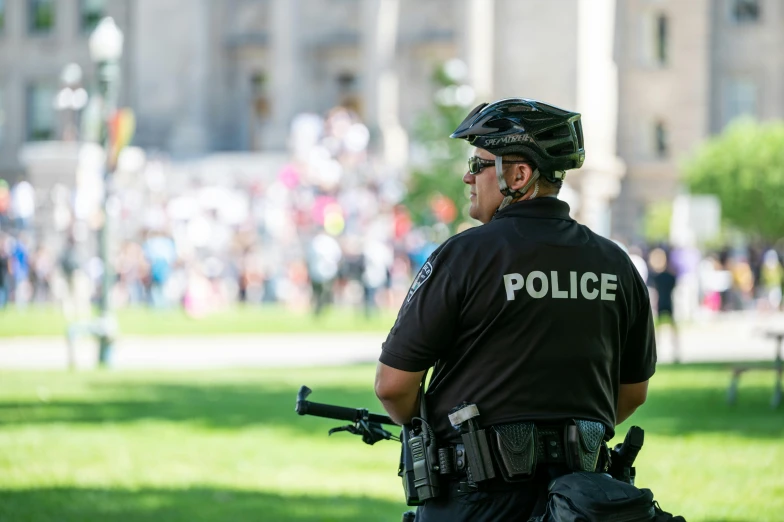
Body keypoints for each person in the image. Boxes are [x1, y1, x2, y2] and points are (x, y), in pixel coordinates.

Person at [374, 98, 656, 521]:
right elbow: (632, 392)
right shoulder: (615, 262)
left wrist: (439, 433)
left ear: (518, 175)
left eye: (479, 162)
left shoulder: (463, 255)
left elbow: (393, 385)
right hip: (584, 502)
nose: (468, 176)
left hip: (475, 502)